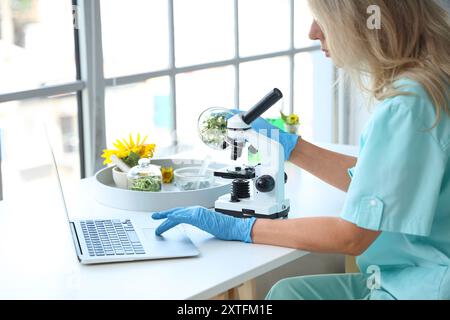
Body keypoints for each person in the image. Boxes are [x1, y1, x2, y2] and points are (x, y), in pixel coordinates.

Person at [152, 0, 450, 300]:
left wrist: (241, 227)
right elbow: (384, 186)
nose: (312, 32)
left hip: (422, 285)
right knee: (288, 291)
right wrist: (291, 147)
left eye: (323, 19)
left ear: (367, 20)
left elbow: (351, 237)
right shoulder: (432, 78)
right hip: (414, 275)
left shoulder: (408, 105)